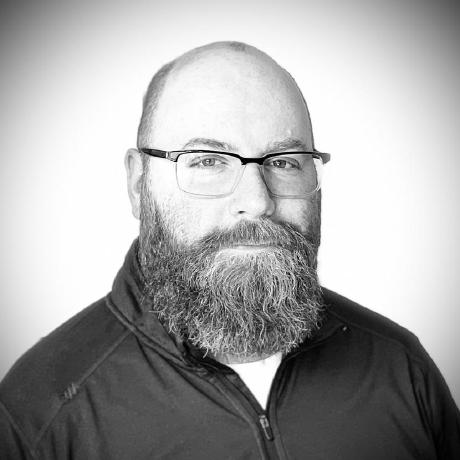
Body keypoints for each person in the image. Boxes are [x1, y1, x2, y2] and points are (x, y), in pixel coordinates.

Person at [1, 41, 459, 460]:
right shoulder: (40, 413)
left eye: (284, 162)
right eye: (208, 161)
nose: (257, 201)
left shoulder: (400, 365)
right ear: (139, 184)